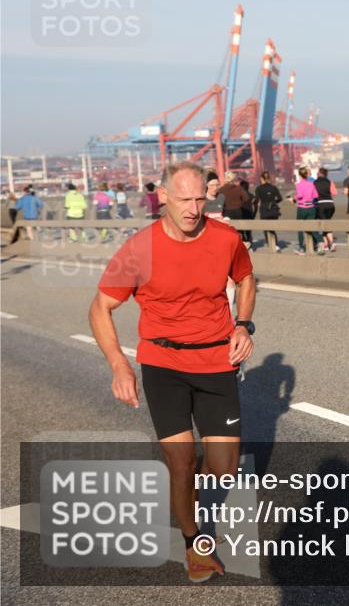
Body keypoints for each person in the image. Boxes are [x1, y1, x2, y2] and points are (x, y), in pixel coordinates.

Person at [90, 161, 255, 583]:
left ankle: (186, 487)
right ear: (162, 196)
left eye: (201, 198)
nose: (194, 209)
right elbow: (101, 307)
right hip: (163, 363)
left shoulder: (226, 238)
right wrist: (119, 365)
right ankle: (194, 543)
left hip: (217, 361)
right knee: (181, 463)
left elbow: (247, 278)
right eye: (184, 199)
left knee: (224, 468)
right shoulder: (139, 248)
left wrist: (243, 323)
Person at [291, 166, 321, 255]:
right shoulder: (311, 184)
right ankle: (320, 242)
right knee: (312, 227)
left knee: (300, 228)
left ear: (300, 175)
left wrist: (294, 198)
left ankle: (301, 248)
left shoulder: (299, 185)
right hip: (311, 208)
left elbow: (300, 195)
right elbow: (316, 195)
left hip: (302, 208)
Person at [253, 171, 283, 252]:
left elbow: (256, 200)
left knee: (266, 228)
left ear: (262, 178)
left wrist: (254, 206)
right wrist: (273, 203)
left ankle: (271, 243)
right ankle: (275, 245)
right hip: (273, 209)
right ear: (268, 178)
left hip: (264, 209)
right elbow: (280, 198)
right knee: (272, 227)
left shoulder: (259, 188)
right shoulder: (274, 188)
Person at [221, 172, 252, 247]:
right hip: (238, 211)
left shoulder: (221, 189)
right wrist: (239, 202)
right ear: (233, 179)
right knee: (239, 230)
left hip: (226, 212)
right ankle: (242, 244)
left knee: (228, 231)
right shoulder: (238, 188)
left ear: (226, 178)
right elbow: (246, 198)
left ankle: (230, 246)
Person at [313, 167, 338, 253]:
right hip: (331, 205)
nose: (316, 174)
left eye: (317, 172)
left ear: (320, 173)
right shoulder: (330, 182)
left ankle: (331, 243)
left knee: (325, 225)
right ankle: (326, 244)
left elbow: (314, 195)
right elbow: (335, 192)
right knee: (326, 223)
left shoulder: (315, 183)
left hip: (321, 205)